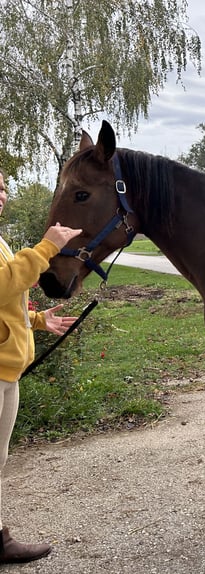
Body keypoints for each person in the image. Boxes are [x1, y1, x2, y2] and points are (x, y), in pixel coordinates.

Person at [0, 168, 82, 563]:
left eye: (2, 187)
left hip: (7, 367)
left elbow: (7, 295)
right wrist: (45, 248)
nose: (0, 195)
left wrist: (36, 320)